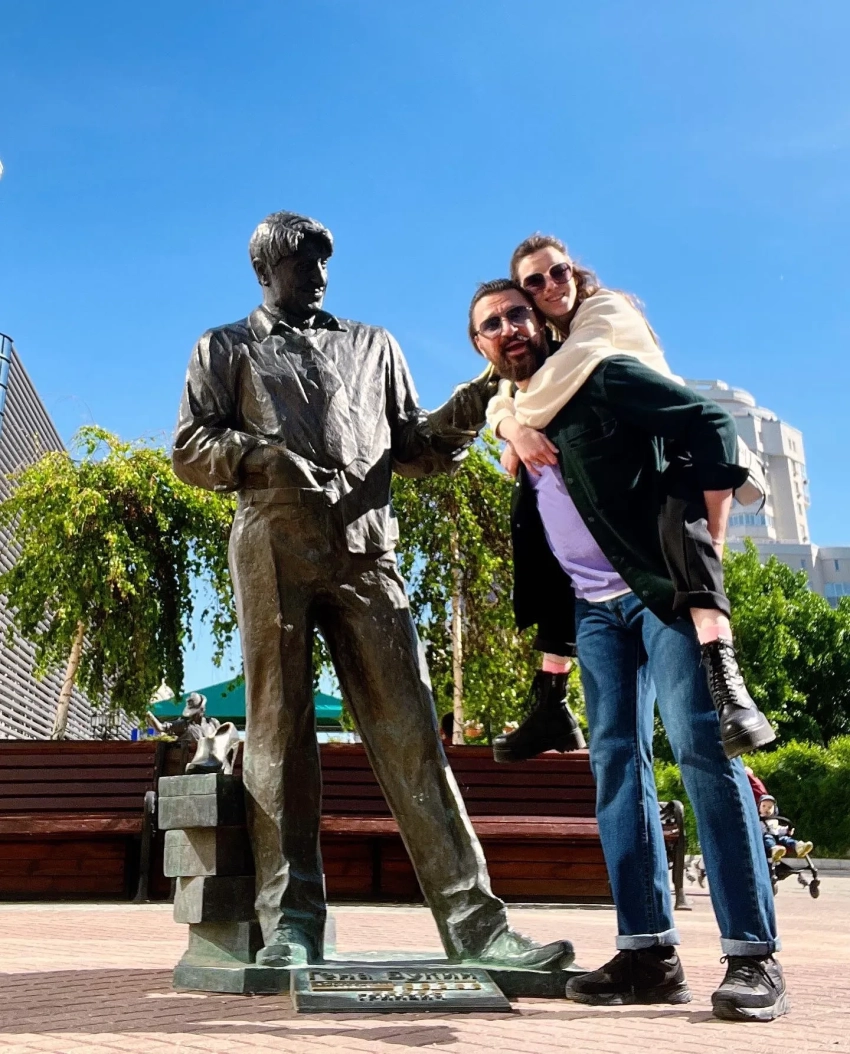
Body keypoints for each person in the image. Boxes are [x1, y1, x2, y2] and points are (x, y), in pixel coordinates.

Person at [172, 210, 569, 974]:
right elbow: (191, 446)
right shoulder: (224, 346)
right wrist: (262, 456)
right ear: (266, 271)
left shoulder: (373, 345)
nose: (319, 275)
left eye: (324, 261)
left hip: (366, 551)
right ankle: (291, 926)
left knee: (413, 733)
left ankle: (477, 928)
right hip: (273, 548)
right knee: (279, 737)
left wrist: (480, 395)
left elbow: (414, 446)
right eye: (303, 263)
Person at [468, 278, 786, 1021]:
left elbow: (709, 423)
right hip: (593, 615)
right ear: (482, 346)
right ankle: (649, 956)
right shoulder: (518, 410)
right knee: (616, 768)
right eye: (492, 323)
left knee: (703, 750)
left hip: (659, 595)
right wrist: (506, 428)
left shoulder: (597, 374)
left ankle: (753, 955)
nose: (510, 326)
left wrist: (706, 538)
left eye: (519, 313)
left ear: (543, 323)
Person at [488, 233, 773, 764]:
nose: (551, 285)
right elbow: (509, 391)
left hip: (670, 460)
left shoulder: (600, 320)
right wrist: (508, 424)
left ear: (574, 271)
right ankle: (551, 698)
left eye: (559, 272)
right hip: (597, 585)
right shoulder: (556, 357)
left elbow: (540, 386)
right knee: (615, 746)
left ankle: (732, 689)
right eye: (535, 281)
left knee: (697, 733)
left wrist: (512, 423)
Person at [758, 795, 814, 863]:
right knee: (768, 838)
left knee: (786, 839)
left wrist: (787, 830)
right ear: (759, 808)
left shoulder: (774, 820)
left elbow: (778, 829)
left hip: (777, 836)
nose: (766, 809)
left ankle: (799, 846)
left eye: (770, 807)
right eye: (763, 806)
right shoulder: (758, 820)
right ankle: (774, 849)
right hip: (765, 839)